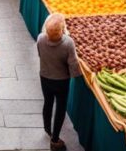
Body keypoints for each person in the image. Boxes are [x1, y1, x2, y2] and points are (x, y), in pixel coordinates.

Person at [37, 14, 80, 151]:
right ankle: (55, 140)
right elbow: (73, 65)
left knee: (48, 102)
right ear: (62, 29)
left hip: (45, 77)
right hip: (61, 81)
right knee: (60, 108)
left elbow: (40, 54)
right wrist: (76, 75)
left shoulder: (40, 39)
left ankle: (47, 128)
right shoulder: (68, 43)